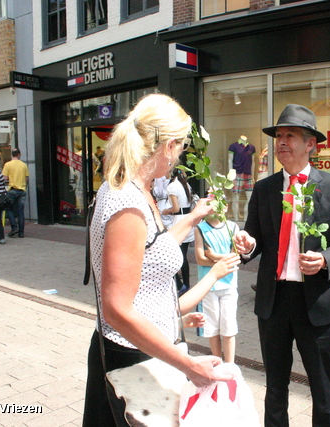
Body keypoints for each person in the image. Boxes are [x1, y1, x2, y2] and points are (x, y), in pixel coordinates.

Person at [82, 93, 240, 427]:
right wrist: (190, 366)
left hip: (143, 350)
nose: (181, 155)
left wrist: (193, 218)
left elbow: (152, 248)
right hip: (134, 357)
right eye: (181, 146)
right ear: (168, 145)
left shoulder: (137, 190)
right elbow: (117, 310)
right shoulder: (127, 203)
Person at [234, 104, 330, 427]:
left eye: (290, 135)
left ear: (311, 144)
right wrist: (247, 245)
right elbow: (255, 237)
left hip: (316, 303)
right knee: (275, 389)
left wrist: (325, 259)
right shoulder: (264, 189)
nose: (282, 141)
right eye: (279, 135)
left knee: (324, 390)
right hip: (274, 303)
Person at [194, 205, 240, 363]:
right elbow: (200, 259)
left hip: (229, 285)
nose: (214, 207)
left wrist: (214, 256)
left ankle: (230, 364)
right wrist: (224, 259)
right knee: (212, 327)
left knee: (229, 328)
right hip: (209, 286)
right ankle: (217, 362)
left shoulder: (232, 227)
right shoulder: (200, 228)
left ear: (225, 207)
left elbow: (235, 257)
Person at [162, 169, 196, 295]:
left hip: (178, 221)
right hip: (188, 219)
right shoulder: (185, 184)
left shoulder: (172, 186)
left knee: (176, 255)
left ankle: (181, 284)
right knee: (183, 254)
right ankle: (185, 284)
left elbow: (175, 208)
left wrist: (165, 211)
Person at [2, 148, 29, 238]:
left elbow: (4, 178)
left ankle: (14, 227)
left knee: (9, 209)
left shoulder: (7, 165)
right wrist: (25, 187)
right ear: (19, 154)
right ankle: (21, 232)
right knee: (20, 212)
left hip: (12, 190)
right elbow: (26, 179)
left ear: (12, 154)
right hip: (22, 191)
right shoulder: (24, 165)